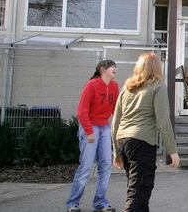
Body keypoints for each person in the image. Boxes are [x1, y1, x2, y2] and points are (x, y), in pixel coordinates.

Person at [111, 52, 180, 211]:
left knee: (139, 190)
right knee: (138, 193)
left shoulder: (127, 87)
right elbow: (163, 120)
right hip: (142, 142)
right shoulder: (158, 86)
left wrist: (116, 151)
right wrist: (172, 150)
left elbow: (115, 120)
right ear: (157, 67)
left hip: (124, 141)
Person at [66, 59, 119, 212]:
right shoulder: (92, 85)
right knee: (86, 167)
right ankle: (72, 203)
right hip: (90, 127)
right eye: (112, 67)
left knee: (105, 166)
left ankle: (101, 203)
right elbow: (82, 111)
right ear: (102, 69)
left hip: (104, 127)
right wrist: (89, 131)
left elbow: (115, 110)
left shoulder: (114, 86)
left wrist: (118, 128)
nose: (115, 69)